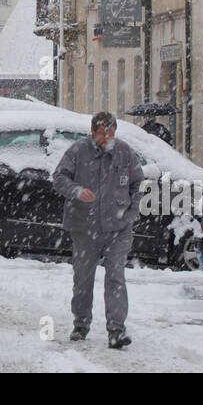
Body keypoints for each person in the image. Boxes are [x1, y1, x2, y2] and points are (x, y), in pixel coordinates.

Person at [52, 111, 144, 348]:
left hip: (118, 227)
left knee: (116, 277)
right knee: (83, 277)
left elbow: (138, 184)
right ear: (93, 132)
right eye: (103, 133)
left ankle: (116, 330)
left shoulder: (124, 152)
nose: (108, 137)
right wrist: (76, 191)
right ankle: (81, 324)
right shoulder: (77, 152)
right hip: (84, 226)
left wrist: (130, 214)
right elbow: (59, 178)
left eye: (111, 132)